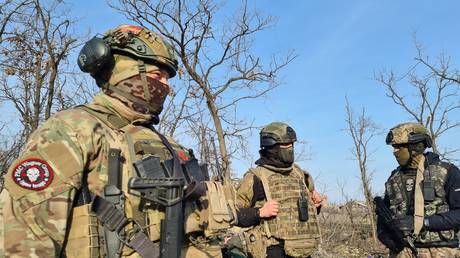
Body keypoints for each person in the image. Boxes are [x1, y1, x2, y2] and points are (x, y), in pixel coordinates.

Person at [1, 25, 237, 258]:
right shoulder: (74, 129)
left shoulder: (167, 143)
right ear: (126, 72)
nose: (166, 86)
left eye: (168, 78)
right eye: (158, 75)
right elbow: (24, 236)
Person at [235, 122, 323, 258]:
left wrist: (315, 206)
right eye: (285, 146)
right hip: (271, 250)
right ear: (271, 148)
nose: (290, 149)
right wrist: (260, 212)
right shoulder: (256, 178)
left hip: (303, 251)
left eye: (292, 145)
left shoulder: (300, 175)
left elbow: (302, 216)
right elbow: (235, 215)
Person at [376, 122, 460, 258]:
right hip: (401, 252)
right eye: (393, 147)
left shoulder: (446, 172)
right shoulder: (394, 179)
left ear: (416, 146)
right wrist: (385, 237)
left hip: (439, 251)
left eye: (398, 146)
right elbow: (383, 217)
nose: (394, 152)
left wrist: (423, 222)